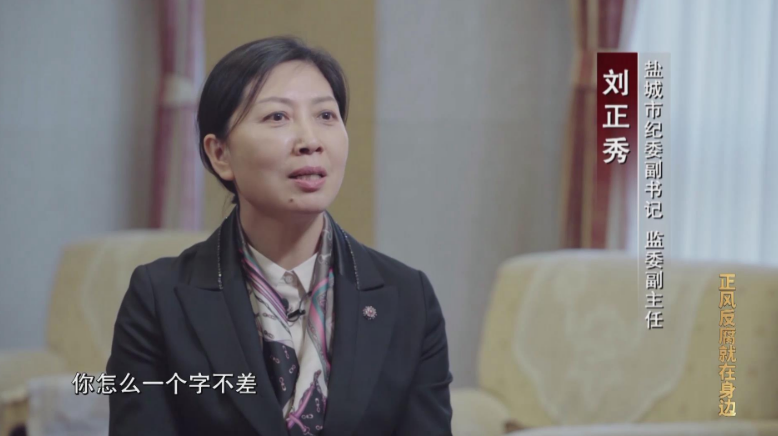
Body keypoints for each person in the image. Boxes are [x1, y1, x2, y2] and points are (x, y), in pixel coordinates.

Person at [107, 36, 453, 436]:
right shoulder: (159, 299)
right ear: (220, 154)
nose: (311, 141)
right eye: (277, 117)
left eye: (326, 115)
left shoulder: (408, 298)